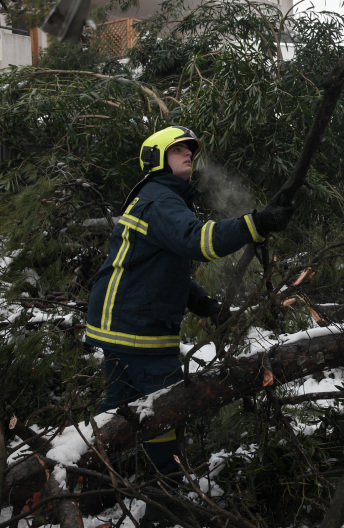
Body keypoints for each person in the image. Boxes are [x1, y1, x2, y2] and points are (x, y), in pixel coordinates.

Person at [85, 125, 292, 474]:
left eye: (190, 150)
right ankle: (165, 493)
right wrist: (255, 224)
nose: (188, 154)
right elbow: (198, 241)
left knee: (116, 412)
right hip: (138, 330)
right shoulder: (159, 199)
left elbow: (159, 270)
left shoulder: (160, 199)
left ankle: (97, 482)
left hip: (123, 323)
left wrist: (203, 303)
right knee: (164, 414)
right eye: (178, 148)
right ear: (156, 159)